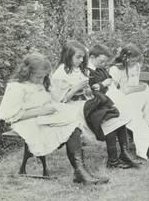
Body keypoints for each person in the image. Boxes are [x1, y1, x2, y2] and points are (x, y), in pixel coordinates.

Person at [0, 53, 109, 185]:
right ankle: (80, 172)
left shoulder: (40, 82)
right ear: (27, 72)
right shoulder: (16, 87)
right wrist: (40, 111)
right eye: (38, 77)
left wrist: (53, 101)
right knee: (72, 127)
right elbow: (8, 115)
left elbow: (55, 99)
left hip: (44, 117)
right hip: (26, 121)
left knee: (74, 121)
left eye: (44, 76)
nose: (41, 80)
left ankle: (80, 171)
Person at [49, 41, 139, 169]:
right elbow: (60, 100)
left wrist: (87, 90)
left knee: (118, 115)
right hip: (72, 107)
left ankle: (123, 154)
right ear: (68, 56)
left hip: (85, 102)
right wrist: (77, 88)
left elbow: (86, 92)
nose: (81, 60)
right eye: (78, 57)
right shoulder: (60, 72)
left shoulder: (77, 69)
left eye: (82, 57)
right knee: (107, 118)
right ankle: (113, 161)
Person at [86, 43, 149, 161]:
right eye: (102, 61)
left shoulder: (100, 69)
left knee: (135, 115)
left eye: (105, 62)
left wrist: (107, 83)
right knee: (132, 116)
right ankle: (148, 148)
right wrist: (103, 84)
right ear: (92, 57)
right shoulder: (87, 71)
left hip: (113, 97)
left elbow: (111, 82)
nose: (104, 64)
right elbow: (92, 90)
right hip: (102, 102)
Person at [109, 43, 149, 127]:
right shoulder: (115, 69)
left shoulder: (136, 66)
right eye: (132, 61)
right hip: (123, 96)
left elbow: (135, 82)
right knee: (142, 100)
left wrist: (141, 86)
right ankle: (141, 128)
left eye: (136, 61)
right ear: (124, 58)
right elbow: (115, 90)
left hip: (135, 93)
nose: (134, 63)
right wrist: (136, 88)